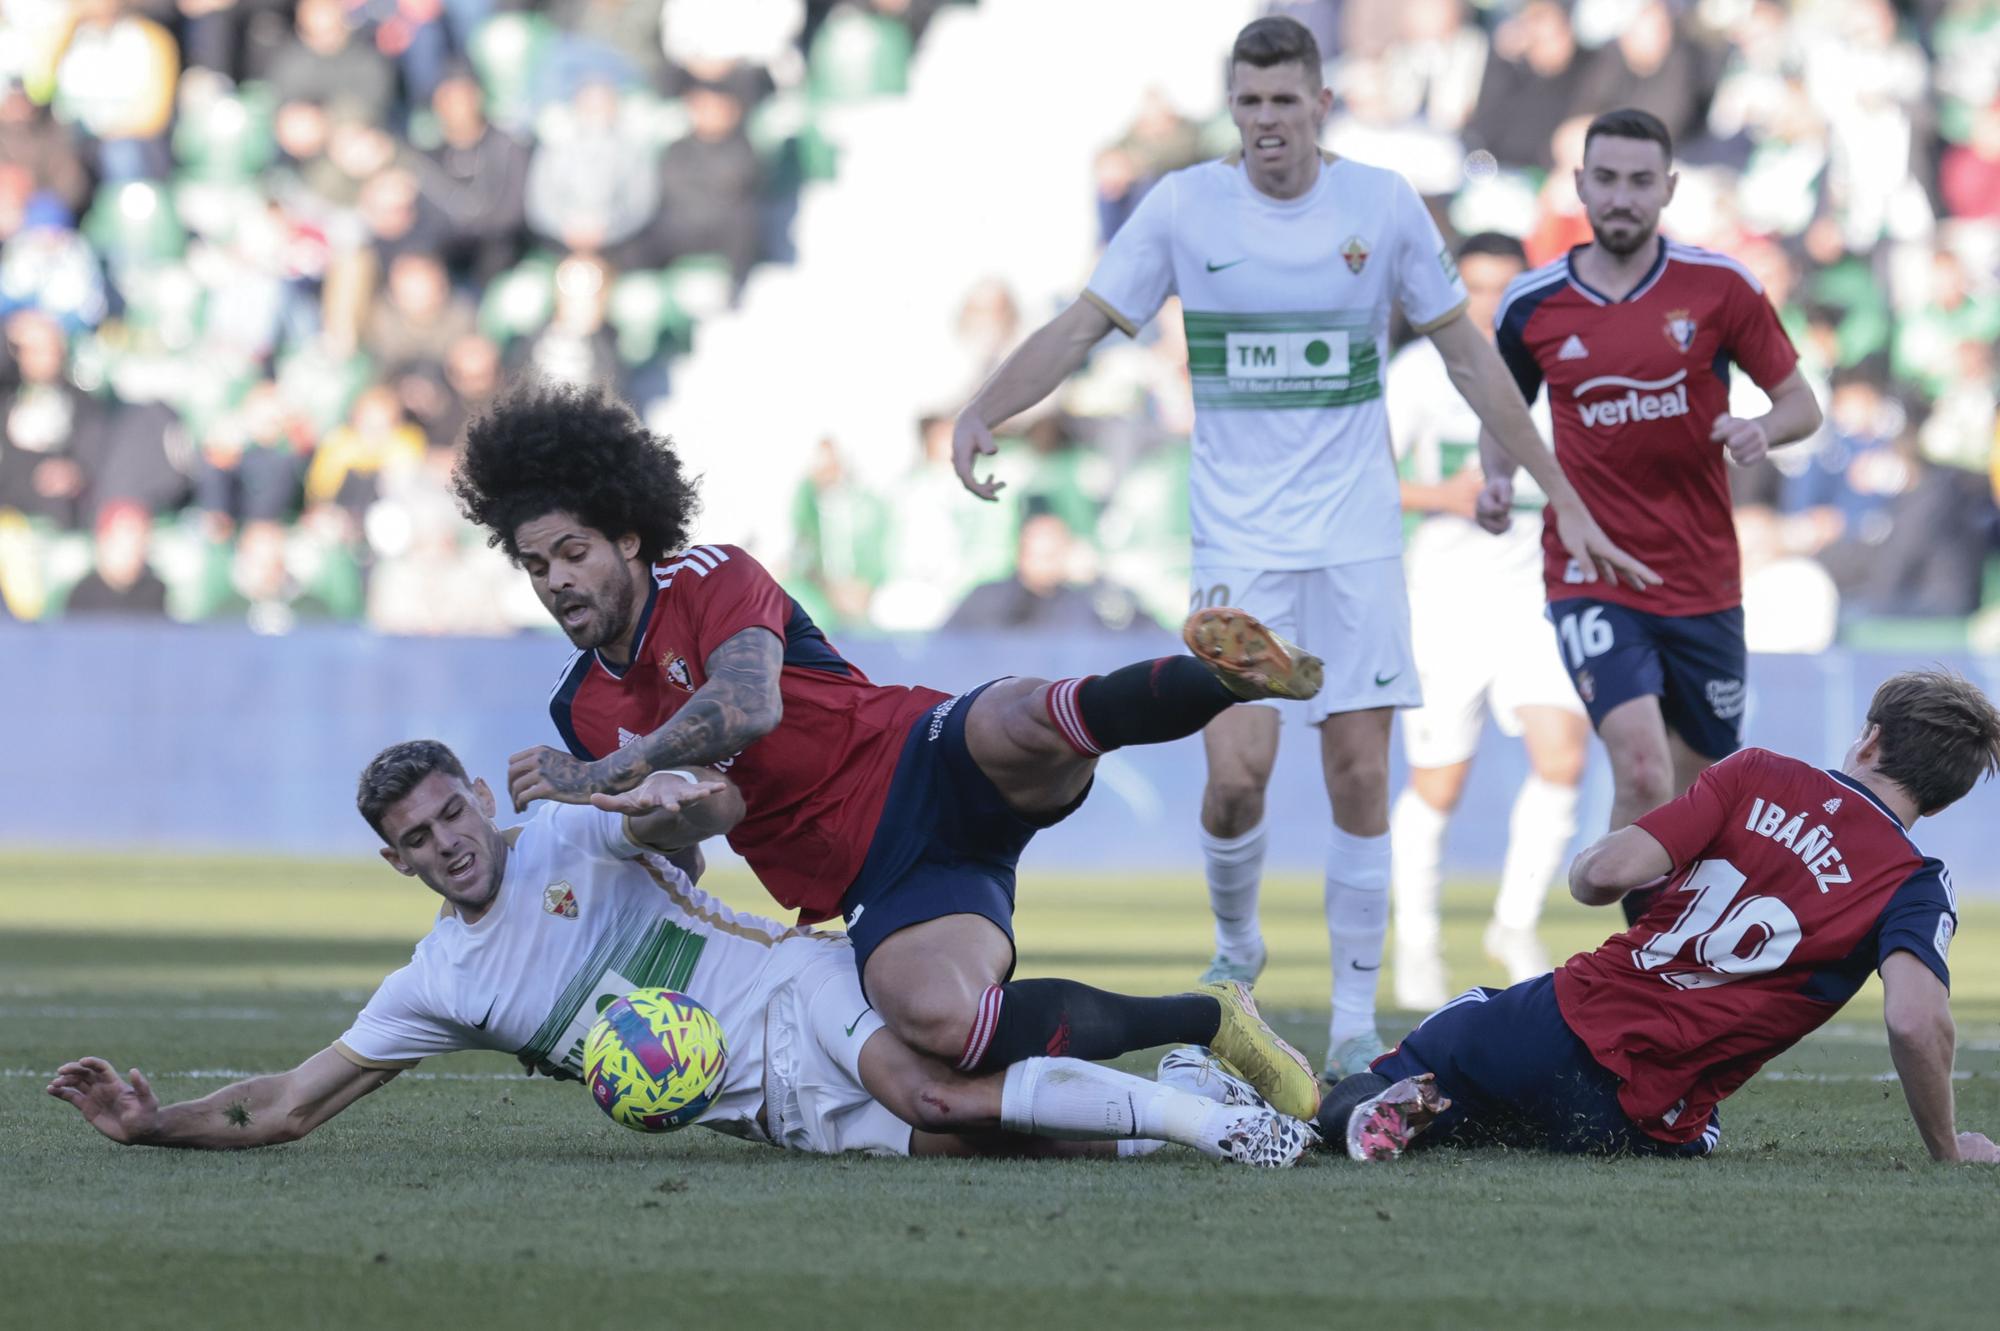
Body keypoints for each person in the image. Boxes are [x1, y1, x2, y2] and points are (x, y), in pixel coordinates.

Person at [946, 15, 1652, 1080]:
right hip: (1239, 543)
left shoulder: (1379, 206)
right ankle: (1235, 955)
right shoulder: (1184, 205)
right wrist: (982, 405)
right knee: (1236, 776)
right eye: (1248, 103)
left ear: (1321, 104)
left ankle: (1356, 1015)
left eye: (1284, 101)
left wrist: (1560, 495)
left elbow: (1467, 360)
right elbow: (1081, 325)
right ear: (1231, 107)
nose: (1266, 121)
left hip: (1357, 541)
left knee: (1359, 770)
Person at [452, 382, 1325, 1122]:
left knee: (1026, 719)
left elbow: (749, 705)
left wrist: (608, 769)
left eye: (573, 552)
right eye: (535, 565)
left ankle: (1234, 678)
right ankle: (1208, 1017)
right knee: (945, 1024)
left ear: (629, 539)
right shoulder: (581, 705)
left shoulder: (713, 575)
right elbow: (685, 850)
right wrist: (637, 824)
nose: (557, 579)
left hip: (916, 754)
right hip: (876, 877)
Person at [46, 741, 1318, 1167]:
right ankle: (1180, 1104)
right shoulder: (436, 984)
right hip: (755, 1104)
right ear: (396, 864)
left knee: (935, 1083)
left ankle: (1218, 1113)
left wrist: (634, 790)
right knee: (986, 1138)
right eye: (416, 839)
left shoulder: (567, 827)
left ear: (476, 802)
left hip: (788, 984)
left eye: (450, 813)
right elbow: (285, 1101)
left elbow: (709, 806)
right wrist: (150, 1124)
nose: (446, 842)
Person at [1315, 670, 2000, 1167]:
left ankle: (1335, 1110)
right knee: (1698, 1130)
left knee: (1418, 1067)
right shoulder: (1915, 882)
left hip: (1549, 1021)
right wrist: (1947, 1147)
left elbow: (1602, 876)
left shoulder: (1759, 771)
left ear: (1870, 741)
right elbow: (1915, 1019)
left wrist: (1590, 865)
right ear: (1938, 803)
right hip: (1642, 1107)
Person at [1478, 108, 1823, 927]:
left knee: (1697, 790)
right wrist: (1494, 481)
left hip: (1703, 578)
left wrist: (1760, 428)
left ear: (1668, 189)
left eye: (1641, 182)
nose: (1622, 198)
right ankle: (1629, 972)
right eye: (1607, 180)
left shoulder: (1721, 288)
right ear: (1580, 186)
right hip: (1590, 571)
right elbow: (1504, 416)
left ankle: (1664, 952)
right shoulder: (1533, 304)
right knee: (1639, 770)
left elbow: (1801, 403)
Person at [1385, 232, 1589, 1006]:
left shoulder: (1558, 369)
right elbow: (1368, 474)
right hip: (1446, 600)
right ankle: (1419, 934)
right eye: (1474, 286)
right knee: (1439, 780)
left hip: (1540, 593)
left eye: (1503, 287)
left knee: (1562, 755)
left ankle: (1515, 921)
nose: (1487, 303)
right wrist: (1447, 497)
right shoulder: (1416, 373)